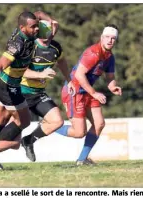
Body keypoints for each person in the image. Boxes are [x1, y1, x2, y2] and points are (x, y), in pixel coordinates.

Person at [0, 20, 75, 170]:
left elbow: (62, 62)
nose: (48, 33)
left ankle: (28, 141)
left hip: (38, 93)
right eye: (42, 29)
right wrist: (40, 74)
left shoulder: (56, 47)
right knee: (5, 123)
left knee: (57, 121)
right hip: (20, 89)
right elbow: (20, 70)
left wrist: (69, 80)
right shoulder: (29, 46)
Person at [54, 24, 122, 165]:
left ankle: (82, 160)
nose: (110, 40)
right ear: (101, 38)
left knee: (99, 123)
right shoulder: (93, 53)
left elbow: (110, 78)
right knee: (79, 132)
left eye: (113, 38)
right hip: (75, 91)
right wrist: (94, 93)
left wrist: (113, 87)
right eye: (107, 37)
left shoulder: (109, 57)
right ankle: (51, 125)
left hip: (88, 91)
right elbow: (79, 75)